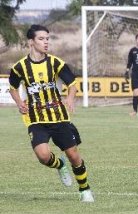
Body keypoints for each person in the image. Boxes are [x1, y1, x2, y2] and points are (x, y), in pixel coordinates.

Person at [8, 24, 94, 203]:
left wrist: (70, 98)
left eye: (47, 39)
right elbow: (13, 88)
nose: (46, 42)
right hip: (35, 118)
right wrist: (19, 103)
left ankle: (85, 189)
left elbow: (72, 84)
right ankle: (60, 165)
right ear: (31, 42)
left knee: (73, 155)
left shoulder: (56, 63)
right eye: (41, 39)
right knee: (43, 156)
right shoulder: (19, 67)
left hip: (59, 116)